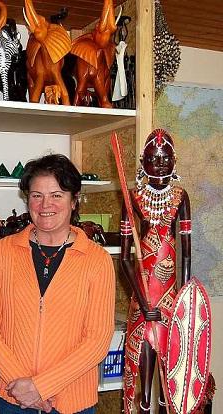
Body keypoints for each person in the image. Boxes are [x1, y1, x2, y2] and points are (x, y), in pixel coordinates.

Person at [0, 154, 115, 414]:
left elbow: (97, 340)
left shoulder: (97, 260)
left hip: (73, 400)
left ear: (74, 201)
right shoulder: (3, 252)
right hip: (15, 396)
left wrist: (41, 386)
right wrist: (23, 386)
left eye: (57, 195)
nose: (45, 204)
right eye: (36, 195)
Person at [120, 129, 190, 414]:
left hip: (171, 295)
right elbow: (125, 258)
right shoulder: (133, 198)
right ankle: (145, 405)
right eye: (153, 158)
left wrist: (184, 301)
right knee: (144, 358)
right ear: (143, 161)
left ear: (174, 161)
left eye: (164, 158)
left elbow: (187, 254)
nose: (159, 163)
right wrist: (141, 298)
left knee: (170, 362)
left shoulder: (180, 197)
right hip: (143, 291)